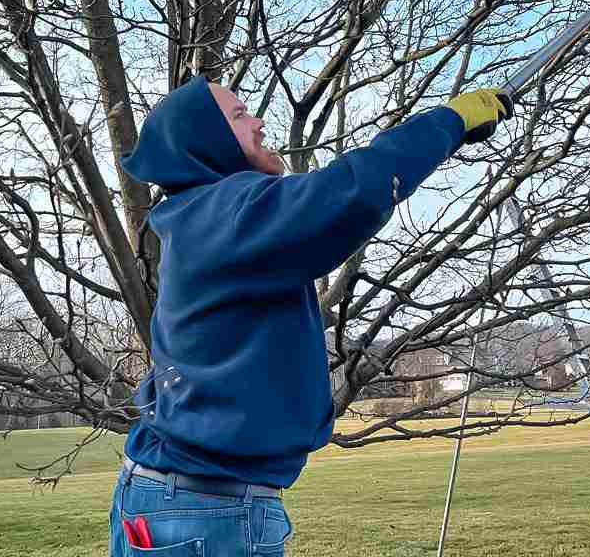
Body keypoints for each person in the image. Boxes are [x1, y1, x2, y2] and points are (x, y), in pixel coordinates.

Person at [111, 75, 511, 556]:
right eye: (239, 116)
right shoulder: (227, 213)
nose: (258, 121)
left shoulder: (204, 220)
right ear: (209, 141)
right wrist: (449, 122)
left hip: (181, 497)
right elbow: (353, 188)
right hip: (206, 509)